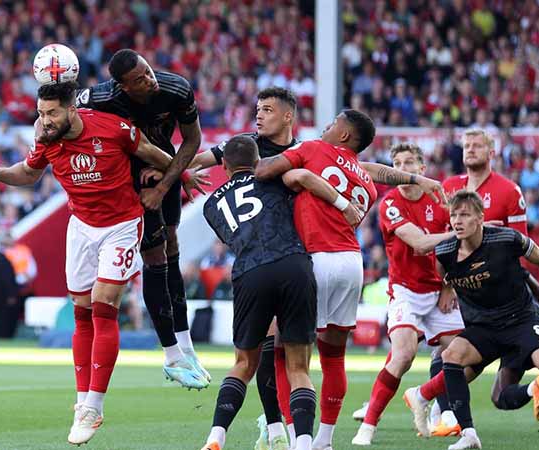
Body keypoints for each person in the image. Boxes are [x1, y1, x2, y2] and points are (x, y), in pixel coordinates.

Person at [0, 81, 179, 445]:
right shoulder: (48, 140)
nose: (44, 120)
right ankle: (81, 401)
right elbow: (30, 174)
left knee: (103, 305)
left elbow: (160, 155)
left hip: (122, 226)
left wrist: (172, 179)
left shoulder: (112, 128)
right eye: (40, 113)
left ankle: (94, 406)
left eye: (51, 113)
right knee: (80, 311)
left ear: (71, 109)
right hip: (80, 228)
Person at [254, 109, 445, 450]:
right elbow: (376, 171)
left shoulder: (312, 149)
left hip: (313, 259)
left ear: (344, 135)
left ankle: (291, 434)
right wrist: (417, 180)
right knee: (334, 356)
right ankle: (324, 440)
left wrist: (284, 170)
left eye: (333, 123)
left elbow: (264, 170)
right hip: (350, 263)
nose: (326, 125)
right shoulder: (366, 182)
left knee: (285, 353)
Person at [407, 190, 539, 450]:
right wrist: (447, 290)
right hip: (484, 327)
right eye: (454, 215)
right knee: (451, 356)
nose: (457, 221)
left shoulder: (506, 238)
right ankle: (468, 435)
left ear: (480, 218)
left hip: (521, 319)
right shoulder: (445, 252)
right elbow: (444, 277)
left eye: (465, 215)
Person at [199, 135, 362, 450]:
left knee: (244, 363)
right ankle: (302, 441)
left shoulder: (210, 204)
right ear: (258, 161)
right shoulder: (274, 180)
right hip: (293, 266)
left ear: (223, 165)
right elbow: (302, 179)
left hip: (250, 271)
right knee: (298, 365)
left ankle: (216, 437)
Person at [76, 48, 210, 387]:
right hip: (127, 183)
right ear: (122, 87)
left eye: (148, 71)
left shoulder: (176, 88)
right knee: (154, 255)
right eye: (139, 80)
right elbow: (65, 117)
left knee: (171, 247)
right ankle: (172, 356)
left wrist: (167, 183)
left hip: (163, 171)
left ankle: (186, 347)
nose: (149, 80)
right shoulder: (98, 98)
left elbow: (192, 140)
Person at [190, 86, 303, 450]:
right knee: (285, 356)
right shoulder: (269, 167)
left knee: (253, 357)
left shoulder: (301, 151)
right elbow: (199, 158)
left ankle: (232, 433)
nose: (258, 115)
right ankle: (281, 431)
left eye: (266, 109)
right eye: (257, 109)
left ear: (287, 115)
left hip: (253, 267)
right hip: (292, 260)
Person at [419, 128, 539, 436]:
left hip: (507, 298)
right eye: (466, 145)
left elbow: (523, 245)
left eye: (477, 145)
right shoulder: (450, 187)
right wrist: (448, 285)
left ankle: (448, 413)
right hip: (470, 294)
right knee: (446, 357)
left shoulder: (509, 191)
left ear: (492, 152)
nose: (470, 150)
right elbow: (444, 245)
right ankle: (447, 415)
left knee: (501, 394)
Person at [351, 143, 458, 446]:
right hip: (405, 292)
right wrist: (460, 232)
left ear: (422, 169)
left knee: (469, 355)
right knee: (403, 355)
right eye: (397, 163)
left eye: (409, 162)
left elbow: (453, 253)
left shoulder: (441, 202)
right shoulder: (390, 204)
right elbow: (420, 243)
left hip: (439, 292)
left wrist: (449, 285)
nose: (403, 168)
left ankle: (429, 401)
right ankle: (368, 427)